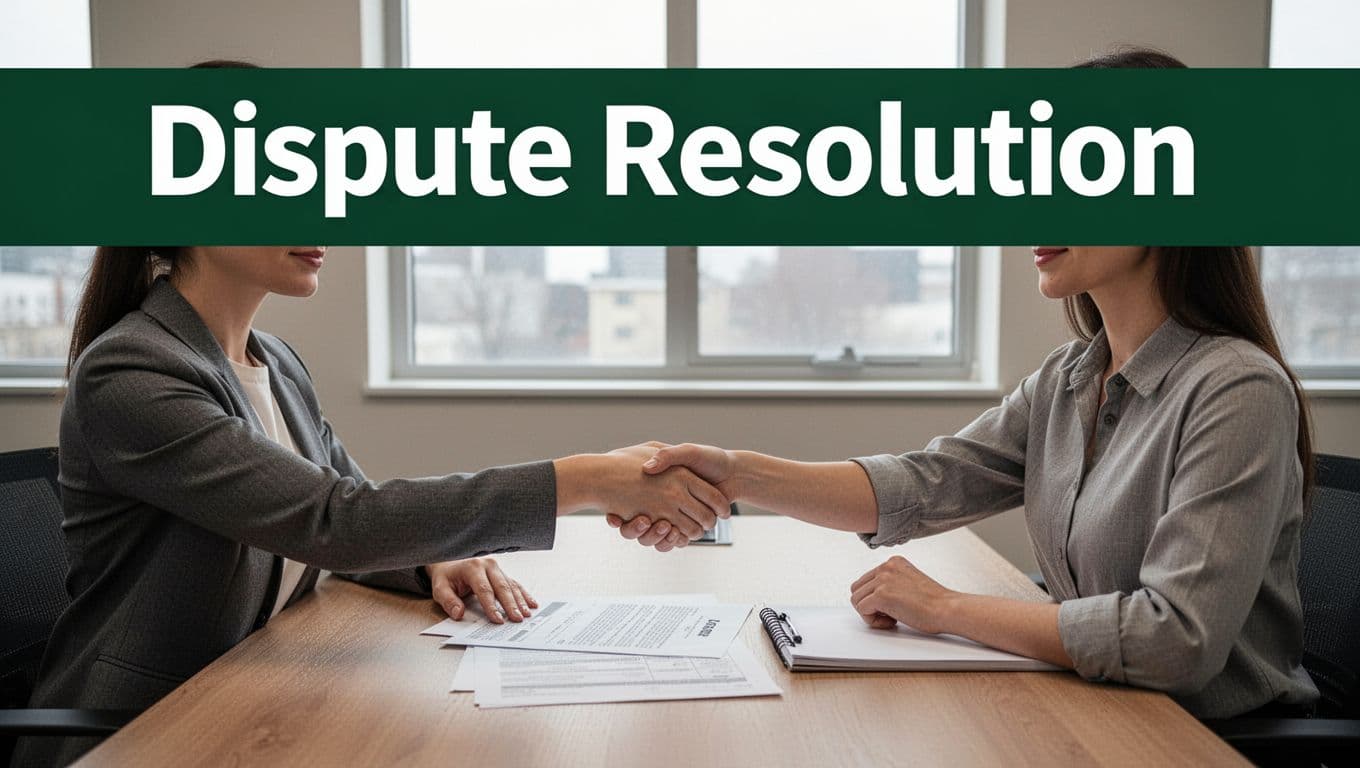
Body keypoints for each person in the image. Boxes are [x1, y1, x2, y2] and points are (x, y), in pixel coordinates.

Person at [15, 248, 728, 768]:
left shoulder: (276, 364)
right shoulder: (131, 373)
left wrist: (435, 563)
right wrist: (584, 480)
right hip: (143, 732)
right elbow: (340, 523)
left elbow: (349, 514)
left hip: (252, 698)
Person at [623, 241, 1321, 719]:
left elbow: (1174, 643)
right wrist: (738, 474)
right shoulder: (1068, 377)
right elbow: (924, 484)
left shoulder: (1236, 391)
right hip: (1097, 707)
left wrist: (944, 608)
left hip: (1204, 740)